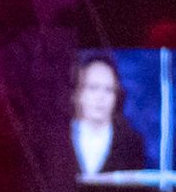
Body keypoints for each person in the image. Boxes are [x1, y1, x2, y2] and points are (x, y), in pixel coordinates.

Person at [58, 50, 146, 180]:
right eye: (93, 88)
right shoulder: (57, 138)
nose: (101, 97)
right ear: (78, 92)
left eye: (108, 89)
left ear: (117, 96)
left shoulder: (131, 143)